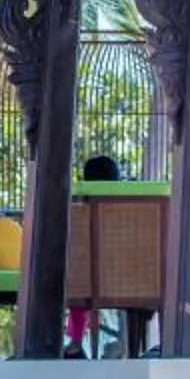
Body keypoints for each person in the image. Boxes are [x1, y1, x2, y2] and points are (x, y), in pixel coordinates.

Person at [67, 151, 123, 354]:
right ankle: (130, 343)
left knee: (77, 278)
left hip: (86, 281)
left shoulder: (78, 212)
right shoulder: (127, 213)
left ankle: (75, 342)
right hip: (126, 278)